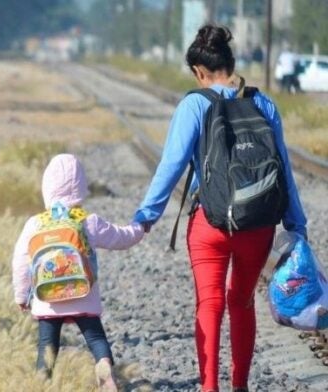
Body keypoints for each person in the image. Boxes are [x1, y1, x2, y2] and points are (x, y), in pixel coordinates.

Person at [133, 25, 307, 392]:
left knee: (209, 304)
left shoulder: (195, 104)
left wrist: (146, 216)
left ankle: (209, 387)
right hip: (257, 225)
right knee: (242, 302)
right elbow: (284, 170)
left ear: (199, 72)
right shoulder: (263, 103)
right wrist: (296, 223)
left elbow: (171, 165)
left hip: (210, 225)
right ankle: (240, 385)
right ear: (231, 63)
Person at [12, 154, 144, 391]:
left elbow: (20, 262)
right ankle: (104, 369)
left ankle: (42, 384)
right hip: (83, 295)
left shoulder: (35, 224)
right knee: (95, 339)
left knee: (46, 345)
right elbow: (122, 238)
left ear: (47, 188)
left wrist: (21, 296)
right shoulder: (88, 222)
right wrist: (140, 226)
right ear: (81, 188)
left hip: (47, 299)